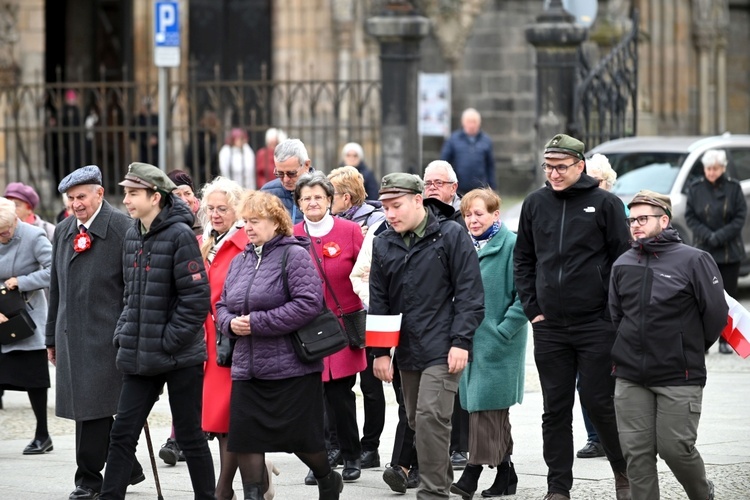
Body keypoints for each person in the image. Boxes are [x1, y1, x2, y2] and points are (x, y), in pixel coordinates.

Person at [513, 133, 632, 500]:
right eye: (548, 167)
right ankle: (558, 487)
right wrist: (533, 309)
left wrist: (610, 314)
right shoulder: (535, 204)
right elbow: (524, 261)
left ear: (580, 165)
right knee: (555, 409)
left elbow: (622, 261)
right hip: (550, 326)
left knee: (601, 403)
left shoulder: (605, 203)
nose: (554, 174)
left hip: (596, 324)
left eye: (561, 167)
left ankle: (623, 474)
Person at [215, 190, 343, 500]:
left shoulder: (294, 254)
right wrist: (229, 323)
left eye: (255, 222)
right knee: (246, 440)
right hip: (248, 369)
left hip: (291, 369)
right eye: (246, 222)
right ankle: (253, 495)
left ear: (276, 222)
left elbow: (309, 304)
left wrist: (257, 323)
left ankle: (327, 479)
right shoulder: (240, 260)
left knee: (304, 441)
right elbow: (221, 304)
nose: (249, 228)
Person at [99, 162, 214, 500]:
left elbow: (196, 299)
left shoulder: (180, 235)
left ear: (156, 196)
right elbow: (129, 293)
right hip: (139, 353)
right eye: (126, 193)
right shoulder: (133, 233)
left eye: (133, 193)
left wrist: (167, 341)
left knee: (191, 437)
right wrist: (124, 332)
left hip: (179, 356)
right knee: (121, 434)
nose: (127, 200)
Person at [370, 173, 485, 499]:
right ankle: (444, 482)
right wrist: (379, 352)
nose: (390, 214)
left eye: (396, 206)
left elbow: (470, 294)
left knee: (431, 417)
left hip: (444, 345)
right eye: (385, 207)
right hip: (407, 350)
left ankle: (433, 493)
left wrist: (461, 341)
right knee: (419, 422)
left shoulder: (450, 235)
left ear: (418, 200)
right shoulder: (383, 243)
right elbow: (380, 301)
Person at [610, 190, 726, 500]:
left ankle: (703, 493)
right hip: (631, 374)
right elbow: (616, 315)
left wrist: (688, 347)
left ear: (664, 219)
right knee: (637, 454)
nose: (635, 225)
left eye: (642, 218)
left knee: (675, 449)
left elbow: (715, 315)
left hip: (679, 374)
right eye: (631, 219)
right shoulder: (622, 263)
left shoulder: (694, 260)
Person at [46, 165, 145, 500]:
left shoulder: (121, 228)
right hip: (70, 333)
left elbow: (134, 287)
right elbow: (55, 288)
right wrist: (50, 337)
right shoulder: (62, 231)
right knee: (87, 406)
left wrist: (129, 332)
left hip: (107, 335)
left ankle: (88, 479)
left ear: (100, 193)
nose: (76, 204)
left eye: (82, 196)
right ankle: (128, 466)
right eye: (71, 198)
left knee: (93, 410)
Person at [450, 189, 528, 499]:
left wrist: (503, 331)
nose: (472, 220)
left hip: (498, 344)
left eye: (479, 213)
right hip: (469, 342)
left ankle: (472, 473)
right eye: (467, 214)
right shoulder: (464, 245)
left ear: (496, 214)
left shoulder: (511, 245)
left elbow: (526, 296)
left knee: (485, 411)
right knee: (488, 413)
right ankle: (507, 475)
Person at [293, 172, 367, 485]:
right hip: (307, 329)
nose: (313, 202)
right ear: (299, 203)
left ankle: (351, 453)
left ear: (329, 200)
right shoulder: (292, 233)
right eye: (306, 197)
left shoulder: (350, 231)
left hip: (342, 325)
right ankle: (321, 457)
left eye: (318, 197)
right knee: (313, 397)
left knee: (341, 395)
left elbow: (365, 274)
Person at [198, 177, 253, 499]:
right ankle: (243, 485)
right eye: (211, 209)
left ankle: (226, 489)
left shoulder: (245, 242)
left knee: (230, 418)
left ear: (237, 209)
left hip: (233, 339)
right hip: (207, 340)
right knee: (219, 421)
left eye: (223, 208)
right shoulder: (204, 241)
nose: (216, 214)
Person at [422, 160, 468, 468]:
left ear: (453, 187)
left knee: (458, 385)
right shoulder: (416, 218)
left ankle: (460, 447)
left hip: (459, 316)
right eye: (427, 183)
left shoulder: (467, 217)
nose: (432, 188)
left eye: (439, 183)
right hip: (425, 318)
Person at [0, 197, 52, 455]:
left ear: (15, 222)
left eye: (5, 231)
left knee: (34, 380)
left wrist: (21, 280)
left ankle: (42, 435)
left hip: (26, 318)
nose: (2, 237)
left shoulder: (33, 236)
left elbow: (54, 270)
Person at [575, 152, 617, 460]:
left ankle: (613, 436)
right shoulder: (576, 209)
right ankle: (594, 437)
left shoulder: (617, 209)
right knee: (584, 381)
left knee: (607, 379)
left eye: (597, 180)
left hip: (609, 309)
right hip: (581, 308)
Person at [686, 149, 746, 355]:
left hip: (729, 252)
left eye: (715, 169)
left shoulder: (733, 188)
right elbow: (690, 216)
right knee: (702, 297)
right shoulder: (695, 188)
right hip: (704, 249)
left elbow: (740, 217)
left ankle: (725, 339)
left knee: (726, 298)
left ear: (722, 169)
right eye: (708, 169)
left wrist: (720, 235)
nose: (711, 172)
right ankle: (703, 339)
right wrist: (707, 235)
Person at [439, 108, 496, 194]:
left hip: (480, 190)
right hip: (459, 188)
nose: (472, 125)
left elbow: (490, 166)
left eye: (474, 122)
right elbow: (444, 162)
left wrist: (492, 187)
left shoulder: (486, 140)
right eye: (469, 121)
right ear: (463, 122)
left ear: (479, 123)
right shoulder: (453, 139)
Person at [260, 138, 312, 224]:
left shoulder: (324, 190)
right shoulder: (267, 192)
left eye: (291, 173)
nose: (286, 179)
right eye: (279, 173)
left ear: (306, 165)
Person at [328, 165, 385, 233]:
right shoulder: (328, 220)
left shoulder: (376, 219)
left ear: (346, 198)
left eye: (331, 194)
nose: (327, 199)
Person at [168, 169, 203, 235]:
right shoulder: (162, 219)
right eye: (177, 195)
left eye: (187, 193)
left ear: (193, 194)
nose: (184, 200)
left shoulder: (207, 216)